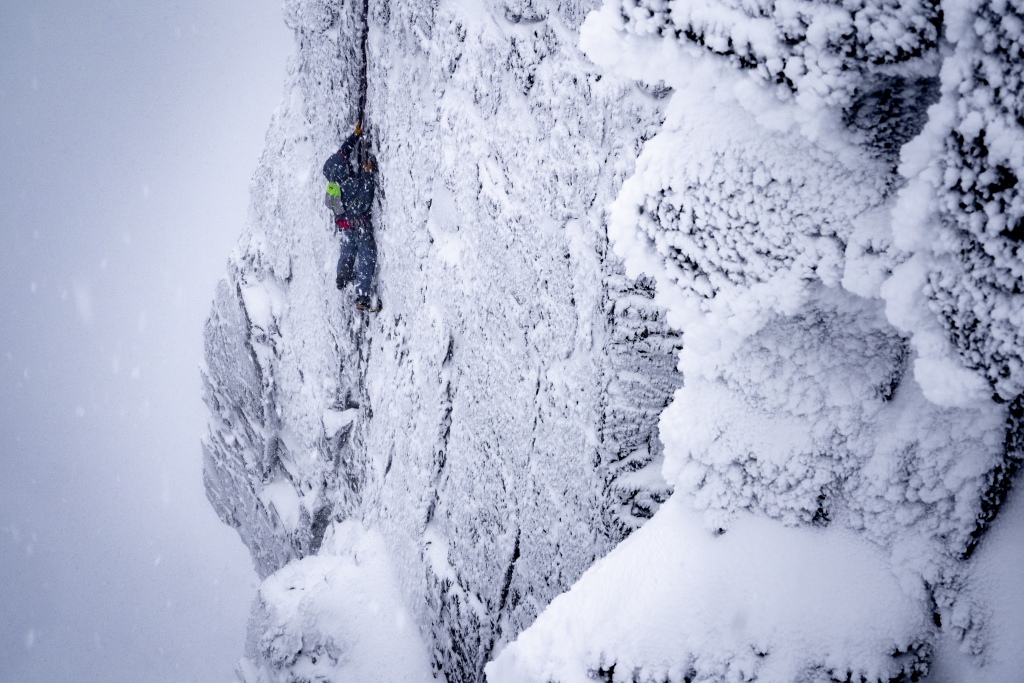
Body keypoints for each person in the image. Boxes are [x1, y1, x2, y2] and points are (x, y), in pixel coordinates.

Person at [323, 122, 379, 311]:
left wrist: (355, 136)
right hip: (359, 225)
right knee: (366, 255)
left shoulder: (334, 177)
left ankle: (342, 275)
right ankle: (362, 296)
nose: (347, 161)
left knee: (347, 252)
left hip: (345, 225)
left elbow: (343, 151)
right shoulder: (349, 184)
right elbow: (366, 198)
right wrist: (369, 174)